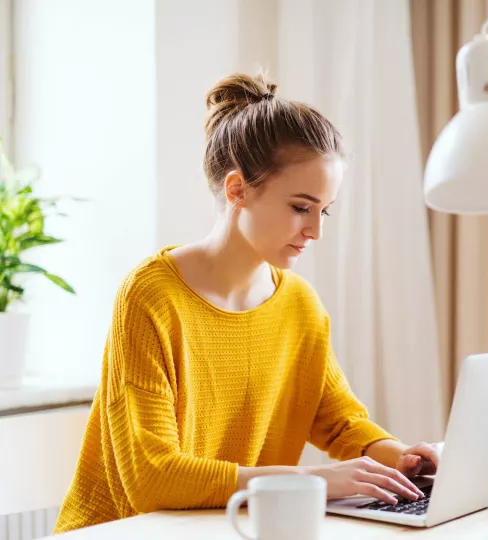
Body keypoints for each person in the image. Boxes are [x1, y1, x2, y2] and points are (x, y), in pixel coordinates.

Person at [54, 72, 440, 533]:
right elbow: (152, 478)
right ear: (237, 190)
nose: (315, 230)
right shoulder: (151, 297)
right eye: (301, 207)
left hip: (225, 528)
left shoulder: (299, 304)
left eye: (325, 210)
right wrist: (316, 479)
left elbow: (338, 423)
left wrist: (399, 457)